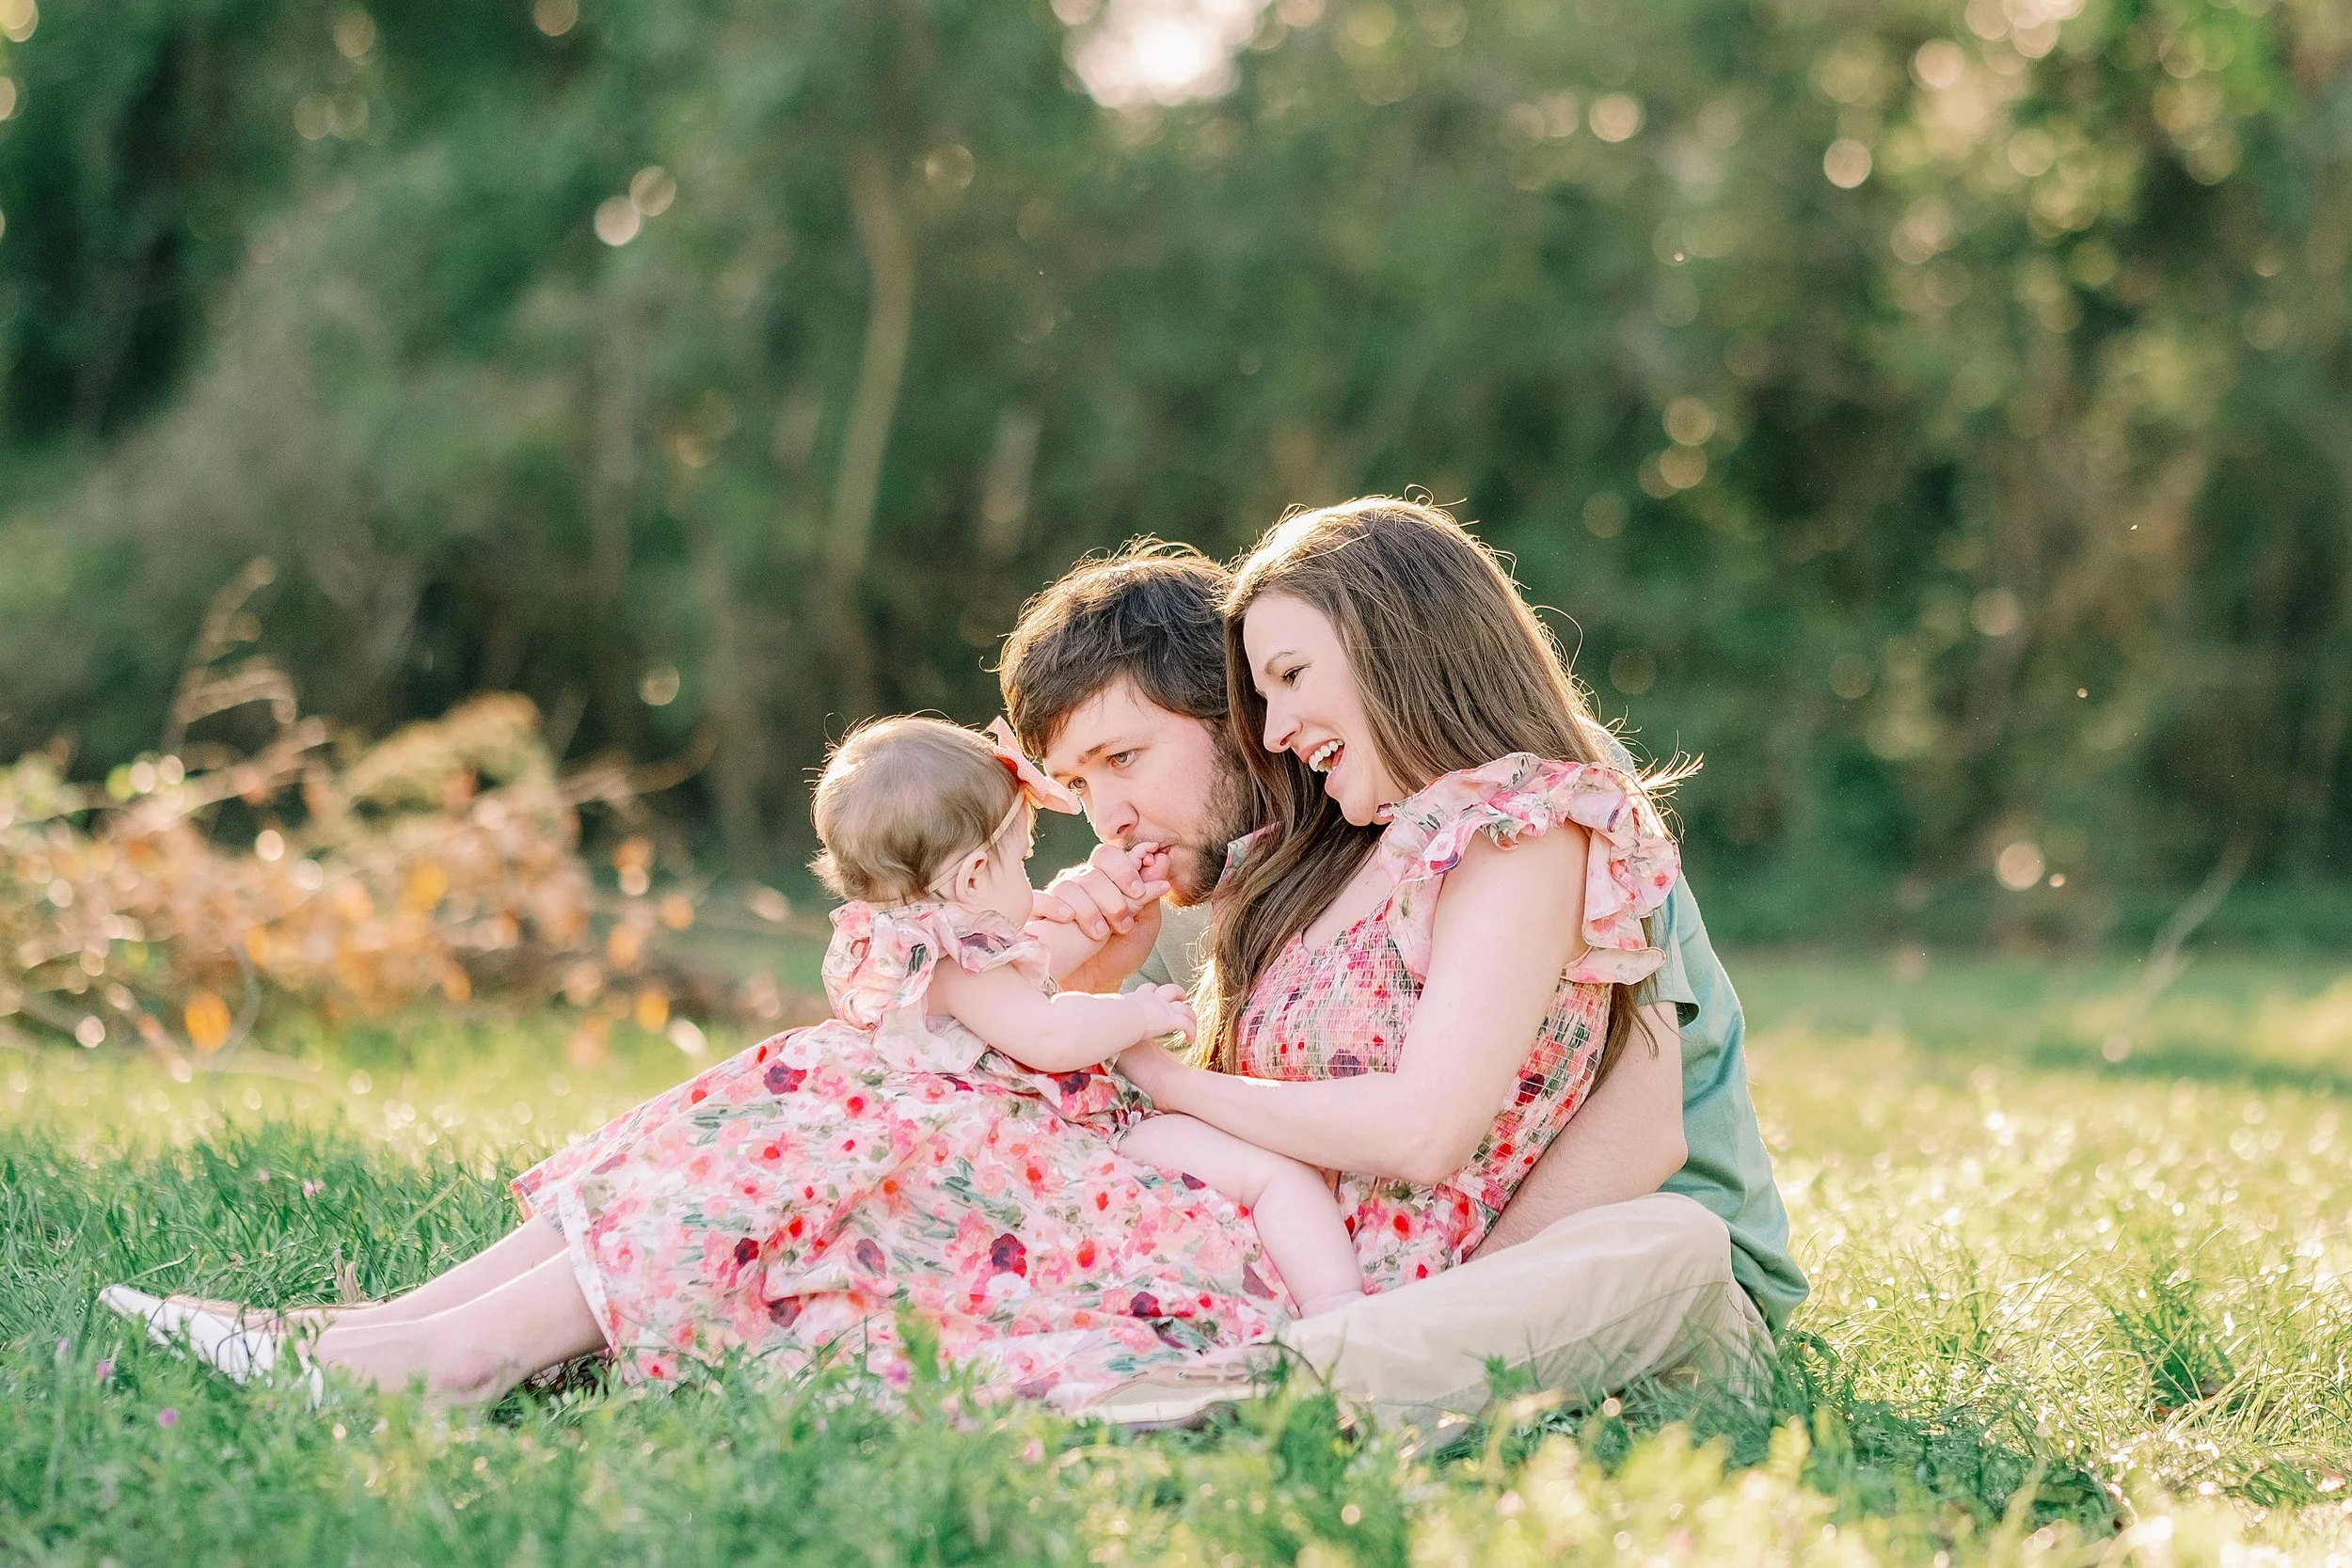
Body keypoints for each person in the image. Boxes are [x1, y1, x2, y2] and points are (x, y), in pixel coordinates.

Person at [1003, 516, 1804, 1424]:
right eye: (1078, 786)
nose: (1105, 819)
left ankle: (1280, 1390)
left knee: (1671, 1245)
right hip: (1370, 1303)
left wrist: (1430, 1332)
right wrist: (1087, 987)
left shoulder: (1548, 793)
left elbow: (1638, 1130)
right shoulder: (1289, 858)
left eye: (1123, 759)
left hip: (1619, 1259)